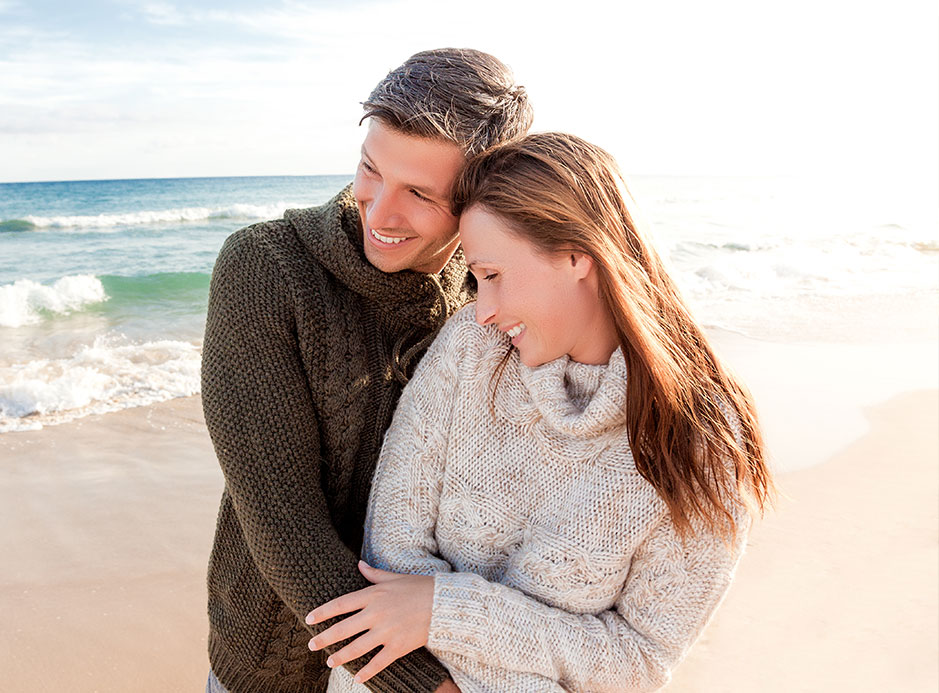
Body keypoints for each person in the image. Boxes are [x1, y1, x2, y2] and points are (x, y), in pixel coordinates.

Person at [307, 133, 775, 692]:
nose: (481, 311)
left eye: (494, 276)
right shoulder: (470, 352)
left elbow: (640, 659)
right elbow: (390, 552)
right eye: (474, 282)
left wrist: (446, 613)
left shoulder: (701, 446)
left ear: (578, 254)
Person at [199, 48, 533, 693]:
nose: (379, 212)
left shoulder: (492, 294)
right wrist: (428, 688)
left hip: (450, 649)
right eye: (370, 169)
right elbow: (282, 525)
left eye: (420, 193)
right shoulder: (266, 270)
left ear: (484, 196)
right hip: (280, 665)